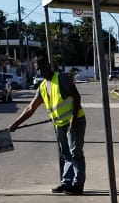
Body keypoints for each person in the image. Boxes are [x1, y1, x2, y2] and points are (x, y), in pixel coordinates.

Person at [9, 58, 86, 195]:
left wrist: (74, 118)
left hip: (75, 121)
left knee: (75, 154)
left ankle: (77, 185)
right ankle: (66, 182)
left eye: (42, 67)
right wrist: (15, 124)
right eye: (37, 69)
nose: (40, 71)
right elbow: (30, 108)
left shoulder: (61, 78)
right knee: (66, 155)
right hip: (60, 125)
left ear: (49, 66)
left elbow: (76, 96)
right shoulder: (43, 86)